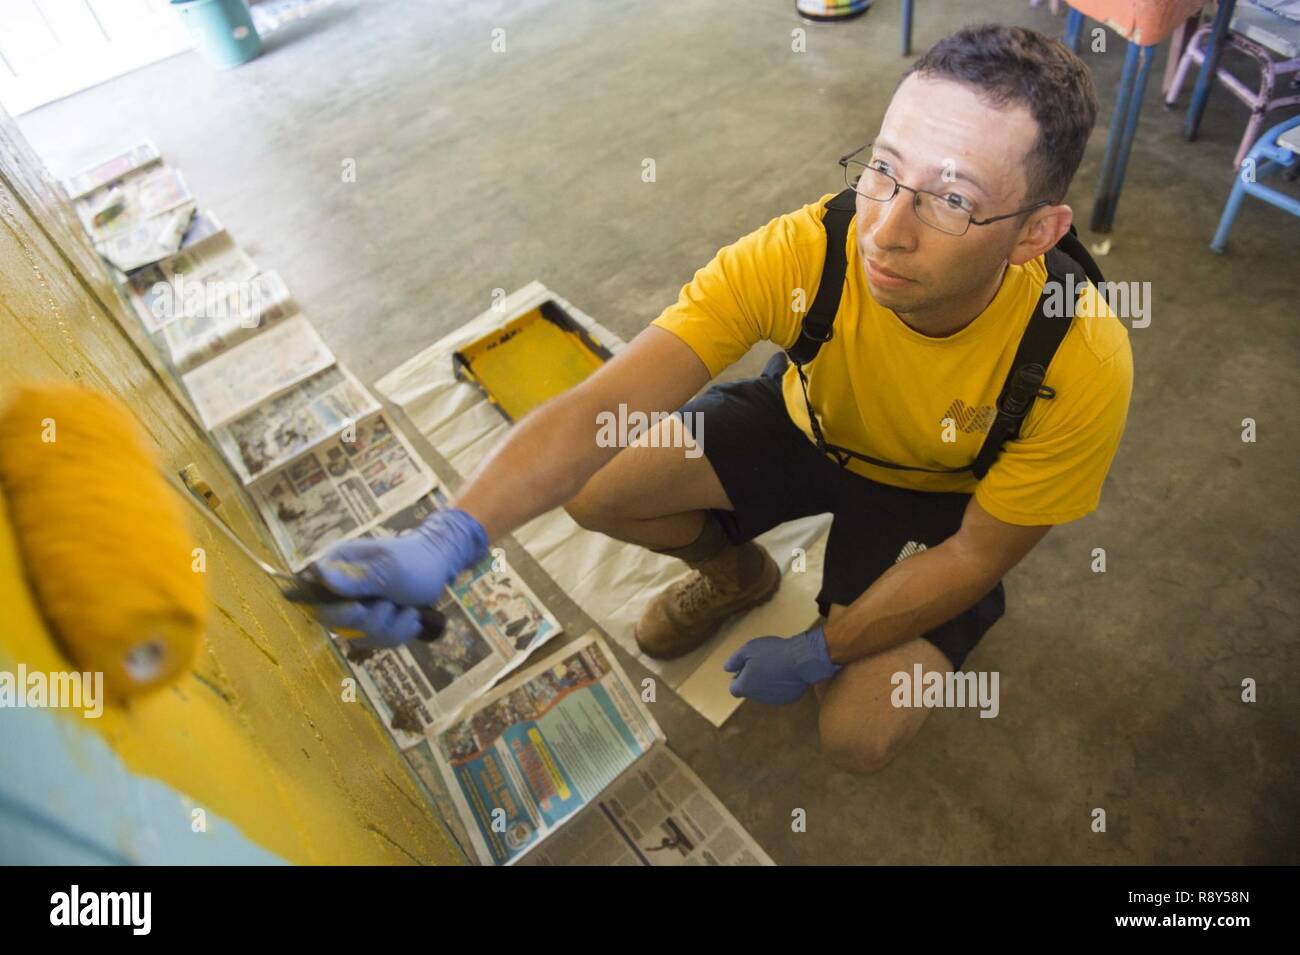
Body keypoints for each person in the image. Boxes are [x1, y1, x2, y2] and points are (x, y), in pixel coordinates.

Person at [312, 24, 1133, 775]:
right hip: (809, 423)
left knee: (855, 735)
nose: (884, 230)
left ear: (1036, 233)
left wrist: (822, 647)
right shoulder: (806, 252)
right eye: (884, 168)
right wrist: (451, 537)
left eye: (952, 199)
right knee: (600, 484)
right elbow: (605, 405)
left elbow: (979, 553)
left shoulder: (1079, 356)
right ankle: (738, 574)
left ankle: (866, 620)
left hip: (937, 501)